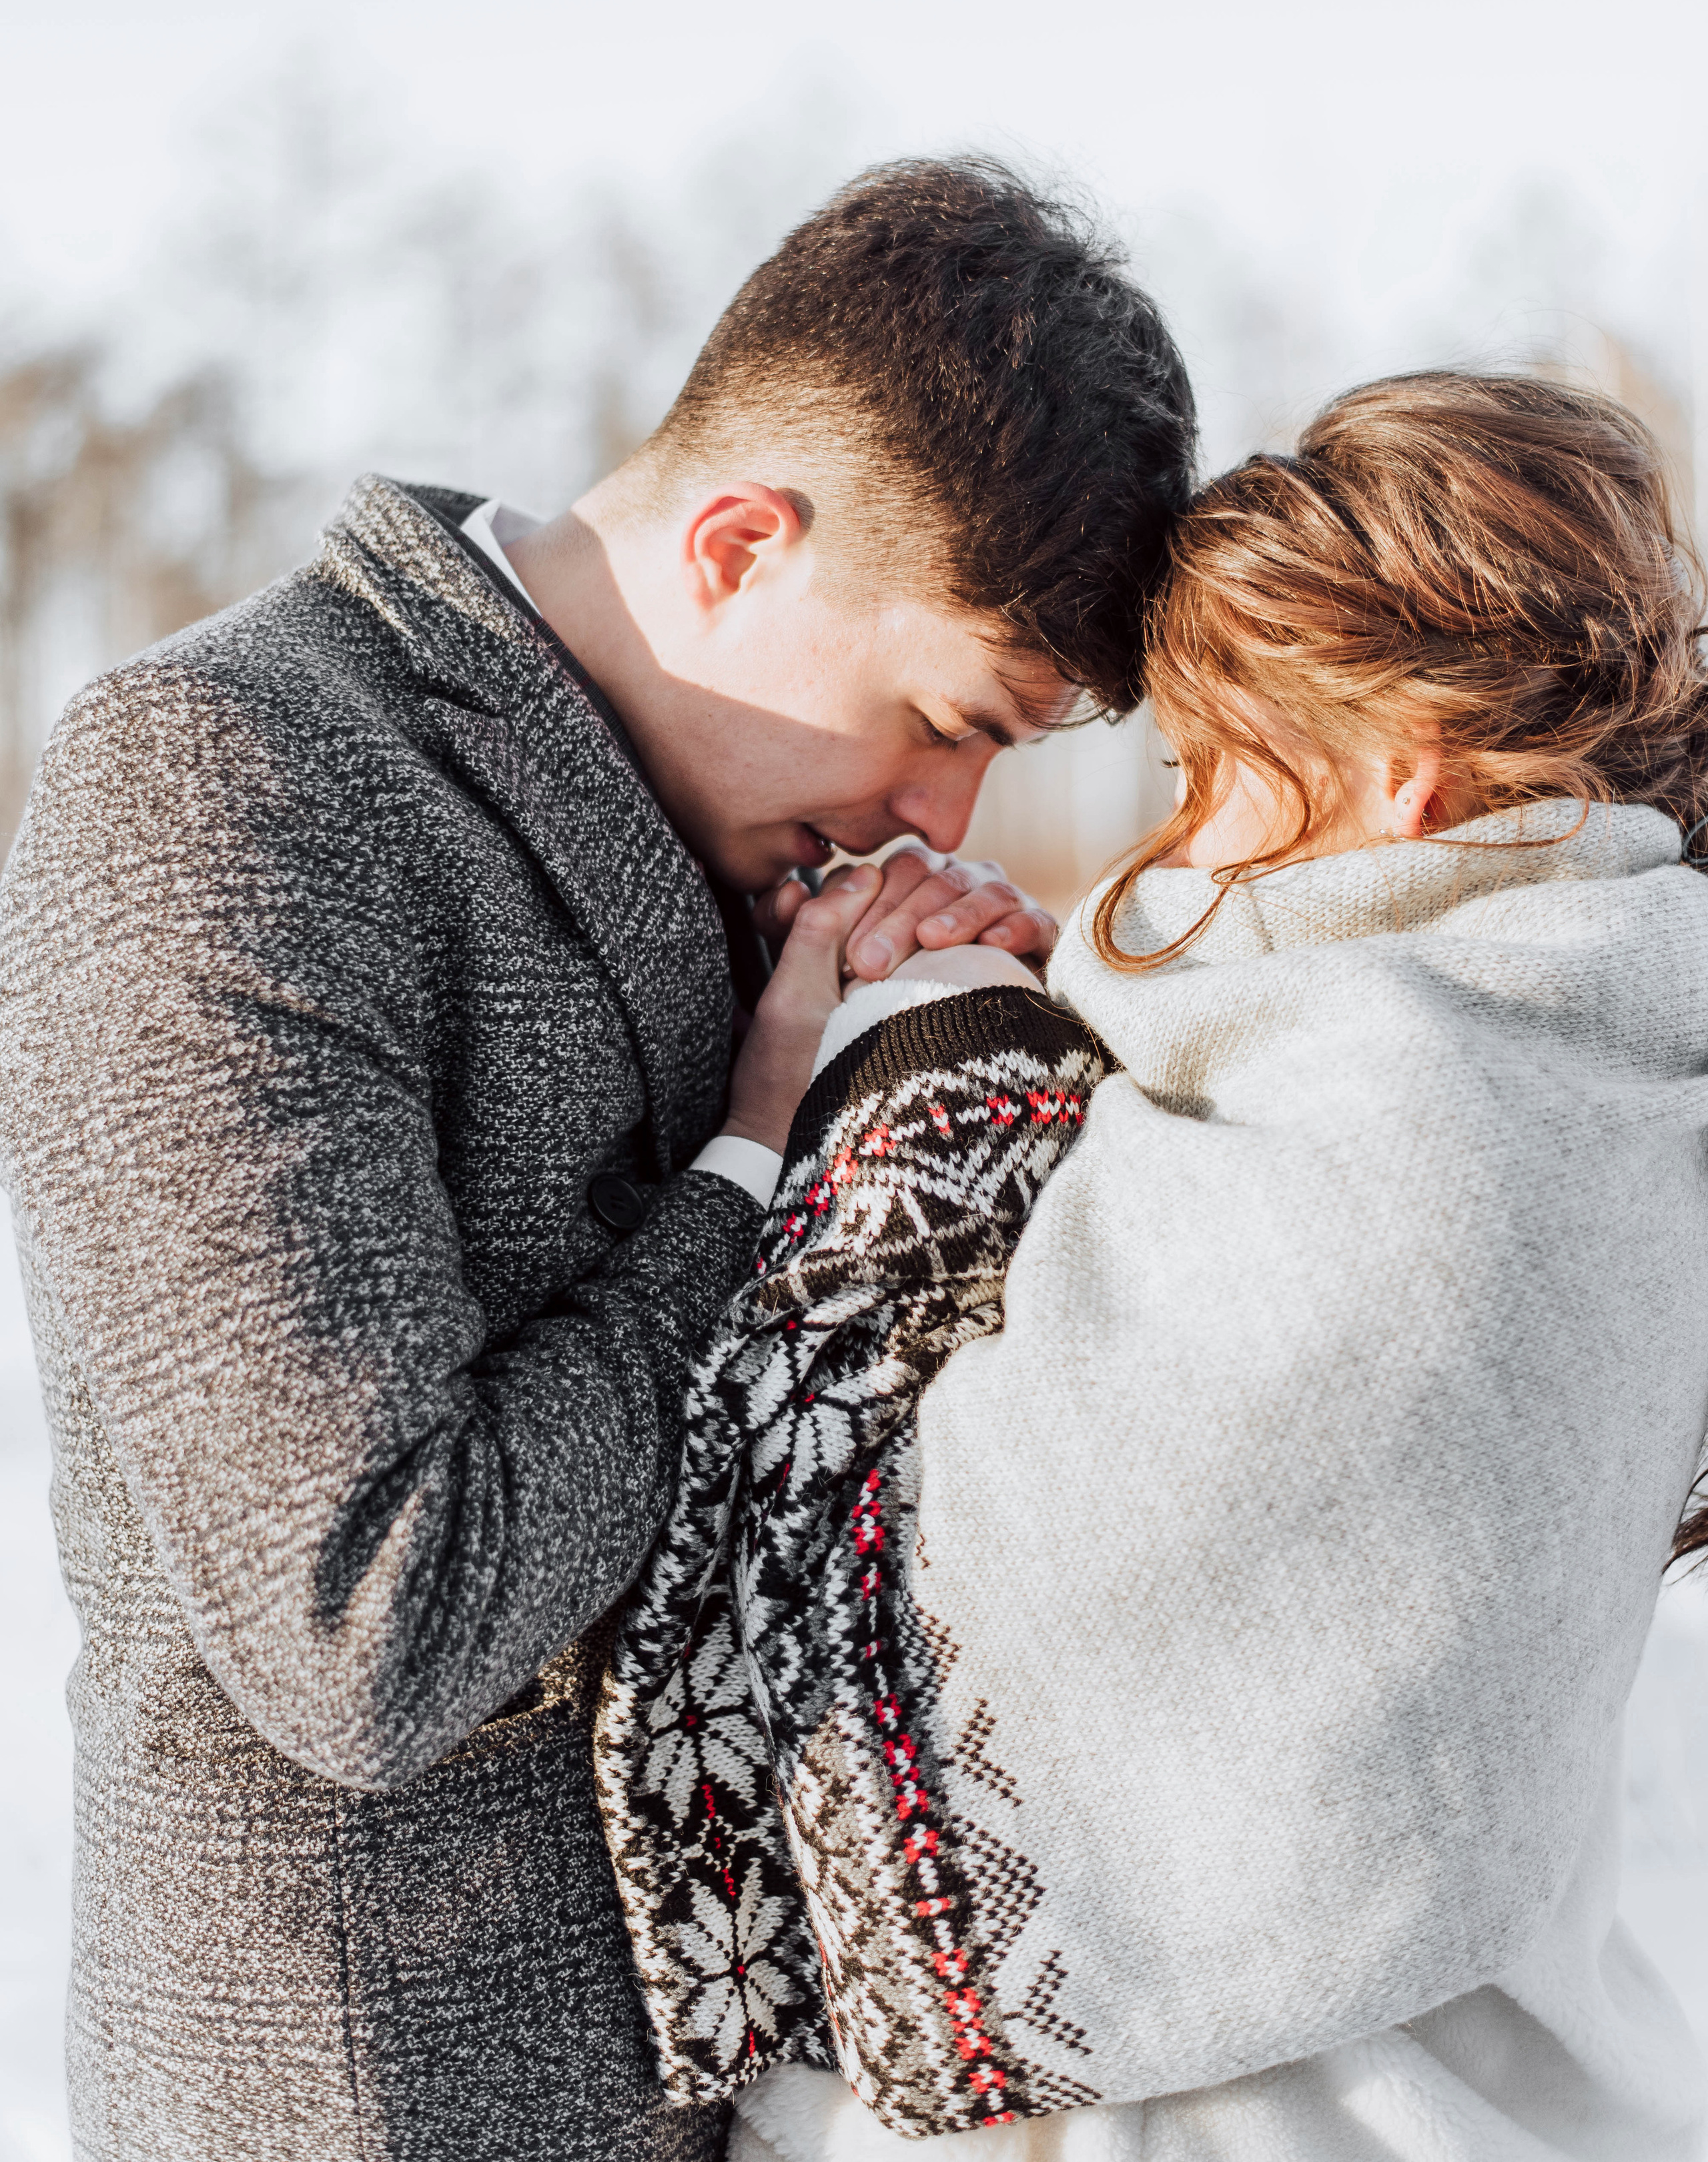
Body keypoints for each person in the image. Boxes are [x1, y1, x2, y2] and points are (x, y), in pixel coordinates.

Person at [0, 159, 1197, 2162]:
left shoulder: (763, 852)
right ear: (738, 540)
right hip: (391, 2095)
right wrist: (755, 1149)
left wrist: (945, 1068)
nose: (939, 808)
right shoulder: (226, 772)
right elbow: (372, 1622)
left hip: (760, 2085)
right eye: (940, 718)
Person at [596, 370, 1708, 2162]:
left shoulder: (1426, 1111)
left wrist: (911, 1055)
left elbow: (969, 1579)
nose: (1175, 842)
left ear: (1393, 770)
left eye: (1208, 771)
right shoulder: (1624, 1069)